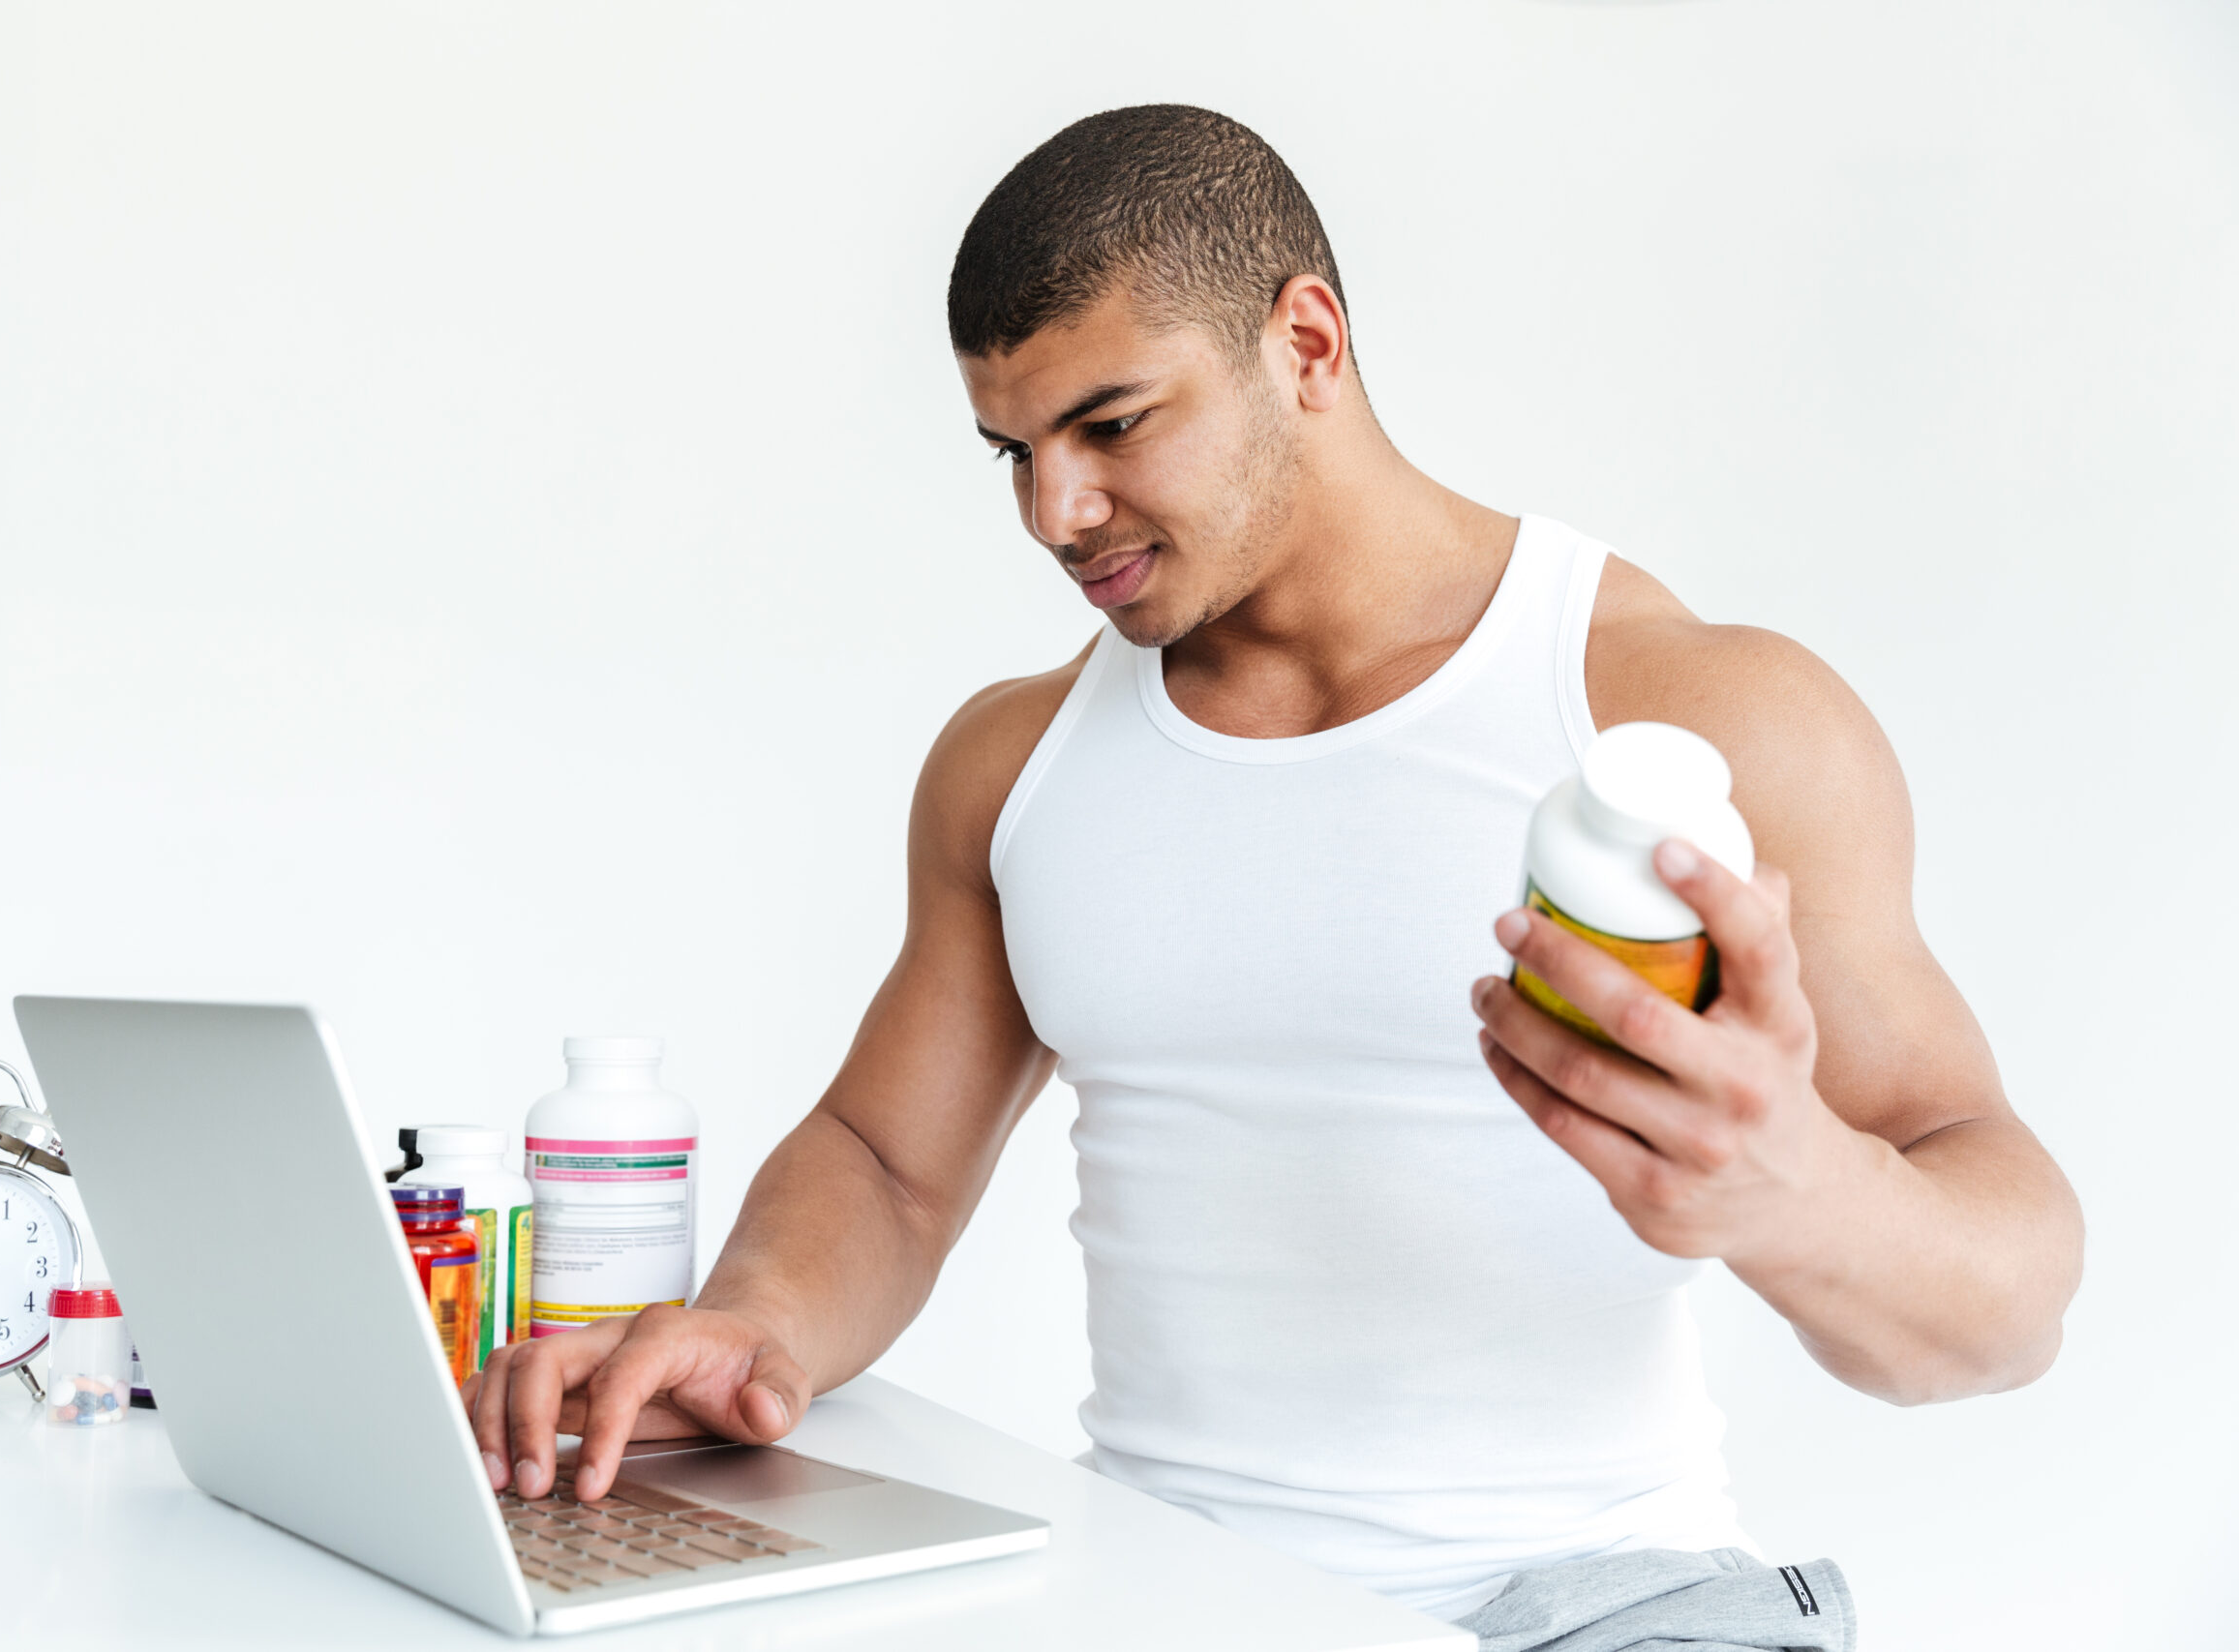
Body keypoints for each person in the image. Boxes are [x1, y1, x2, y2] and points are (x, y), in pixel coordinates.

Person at [466, 105, 2081, 1640]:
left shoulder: (1686, 715)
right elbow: (886, 1163)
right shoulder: (1013, 765)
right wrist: (752, 1328)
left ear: (1305, 344)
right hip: (1156, 1594)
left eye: (1110, 425)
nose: (1056, 509)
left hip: (1602, 1609)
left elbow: (1999, 1310)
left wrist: (1791, 1185)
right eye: (1011, 452)